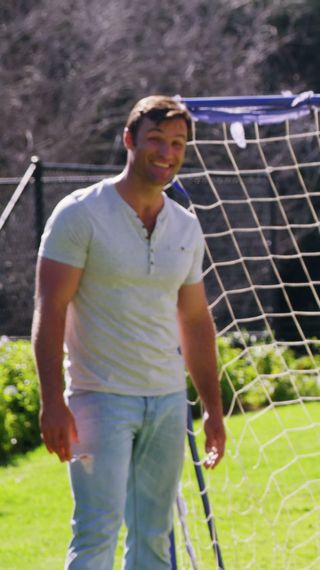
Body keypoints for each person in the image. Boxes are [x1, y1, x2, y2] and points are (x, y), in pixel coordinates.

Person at [33, 95, 225, 569]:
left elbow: (196, 321)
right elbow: (50, 308)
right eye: (156, 139)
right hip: (99, 399)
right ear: (129, 140)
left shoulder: (185, 226)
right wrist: (52, 401)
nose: (167, 152)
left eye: (178, 143)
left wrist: (213, 410)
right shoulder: (79, 214)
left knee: (155, 540)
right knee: (97, 533)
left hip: (165, 402)